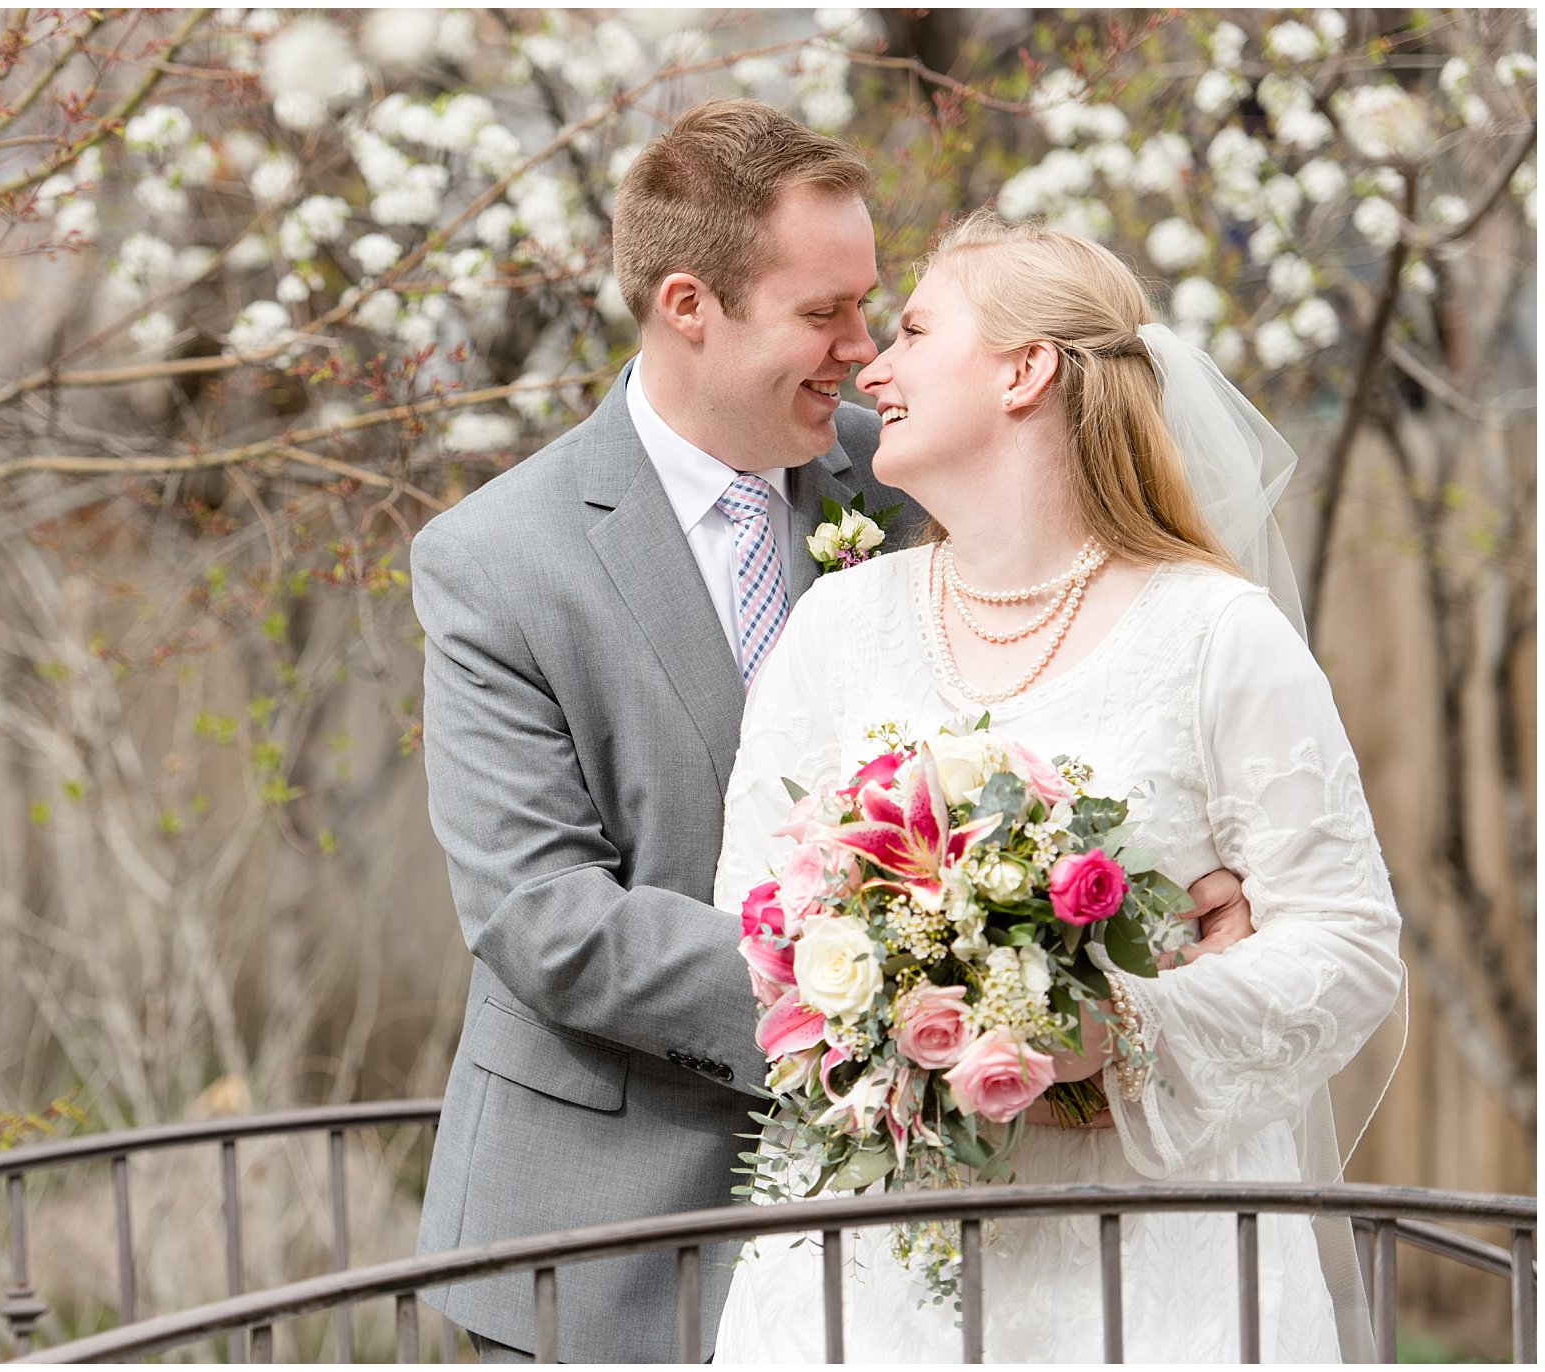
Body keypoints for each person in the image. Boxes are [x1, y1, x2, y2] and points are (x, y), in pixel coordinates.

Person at [411, 102, 1256, 1363]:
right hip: (601, 1235)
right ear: (689, 305)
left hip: (901, 1233)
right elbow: (547, 920)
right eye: (823, 314)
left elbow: (1074, 677)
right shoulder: (495, 562)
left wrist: (1167, 881)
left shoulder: (912, 467)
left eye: (872, 306)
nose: (864, 354)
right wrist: (899, 1007)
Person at [710, 214, 1406, 1363]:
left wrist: (1116, 1027)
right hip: (877, 1271)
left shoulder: (1214, 632)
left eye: (917, 329)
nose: (870, 367)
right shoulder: (836, 626)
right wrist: (889, 1016)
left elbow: (1347, 944)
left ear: (1025, 370)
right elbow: (752, 918)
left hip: (1148, 1271)